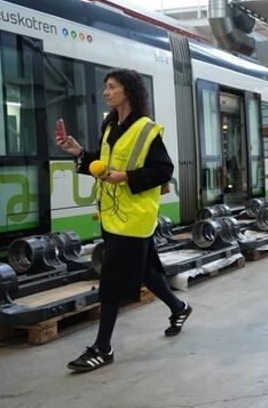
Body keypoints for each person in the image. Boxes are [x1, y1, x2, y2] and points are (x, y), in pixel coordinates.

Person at [56, 68, 190, 373]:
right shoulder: (110, 124)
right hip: (111, 213)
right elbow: (103, 165)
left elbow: (163, 170)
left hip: (134, 217)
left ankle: (102, 348)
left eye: (111, 87)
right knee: (146, 271)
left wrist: (127, 177)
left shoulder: (146, 129)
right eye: (105, 87)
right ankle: (179, 307)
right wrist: (78, 152)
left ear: (127, 90)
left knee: (112, 281)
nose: (106, 92)